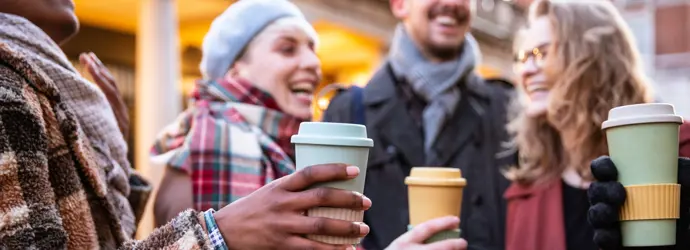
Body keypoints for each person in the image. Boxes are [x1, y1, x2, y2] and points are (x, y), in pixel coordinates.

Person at [0, 0, 378, 249]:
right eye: (287, 48)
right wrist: (216, 233)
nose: (313, 63)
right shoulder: (211, 139)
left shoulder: (277, 141)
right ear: (234, 68)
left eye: (313, 48)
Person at [323, 0, 515, 249]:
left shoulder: (508, 110)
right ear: (400, 4)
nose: (452, 3)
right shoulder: (347, 111)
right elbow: (325, 236)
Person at [503, 1, 690, 250]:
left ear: (592, 57)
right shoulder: (526, 186)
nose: (525, 70)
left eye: (541, 54)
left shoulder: (682, 156)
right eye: (523, 58)